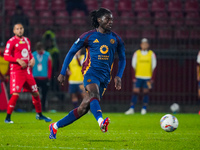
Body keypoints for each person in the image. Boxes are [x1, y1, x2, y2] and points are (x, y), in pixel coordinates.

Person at [49, 8, 126, 139]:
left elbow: (123, 58)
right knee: (93, 94)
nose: (110, 21)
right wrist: (62, 72)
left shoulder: (116, 39)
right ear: (99, 20)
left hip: (105, 77)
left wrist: (119, 75)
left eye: (112, 19)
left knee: (83, 108)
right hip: (90, 72)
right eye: (107, 19)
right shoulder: (88, 36)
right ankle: (101, 122)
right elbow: (71, 52)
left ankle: (55, 126)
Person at [4, 23, 51, 123]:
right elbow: (6, 56)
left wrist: (33, 59)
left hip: (27, 72)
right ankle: (8, 118)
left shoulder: (26, 40)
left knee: (35, 92)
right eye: (17, 29)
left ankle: (39, 114)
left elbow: (29, 53)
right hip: (16, 72)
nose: (20, 30)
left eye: (21, 28)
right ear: (14, 31)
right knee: (16, 94)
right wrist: (18, 60)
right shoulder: (11, 42)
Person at [125, 38, 157, 115]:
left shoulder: (151, 54)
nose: (144, 45)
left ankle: (144, 109)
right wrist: (133, 77)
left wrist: (152, 78)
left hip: (148, 77)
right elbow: (133, 65)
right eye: (143, 44)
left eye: (146, 44)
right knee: (135, 92)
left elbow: (154, 67)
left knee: (146, 92)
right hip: (138, 76)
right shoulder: (137, 53)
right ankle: (132, 108)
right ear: (141, 45)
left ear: (148, 45)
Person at [32, 42, 52, 111]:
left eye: (40, 50)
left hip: (44, 78)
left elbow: (49, 67)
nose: (39, 51)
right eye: (38, 50)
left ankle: (43, 108)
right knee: (35, 93)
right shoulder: (33, 55)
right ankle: (34, 108)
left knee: (44, 94)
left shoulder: (47, 55)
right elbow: (30, 66)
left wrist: (48, 77)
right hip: (35, 78)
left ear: (43, 49)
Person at [0, 42, 9, 111]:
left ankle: (7, 107)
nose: (2, 49)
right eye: (1, 48)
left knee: (8, 92)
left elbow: (9, 67)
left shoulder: (7, 56)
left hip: (6, 78)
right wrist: (1, 76)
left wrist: (6, 76)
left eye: (3, 48)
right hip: (1, 77)